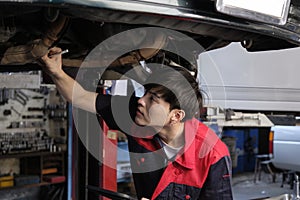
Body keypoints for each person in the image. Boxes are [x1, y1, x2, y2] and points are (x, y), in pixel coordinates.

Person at [41, 47, 233, 200]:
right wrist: (56, 71)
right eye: (146, 94)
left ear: (176, 116)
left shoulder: (212, 155)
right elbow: (81, 97)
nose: (142, 101)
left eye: (153, 99)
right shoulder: (137, 115)